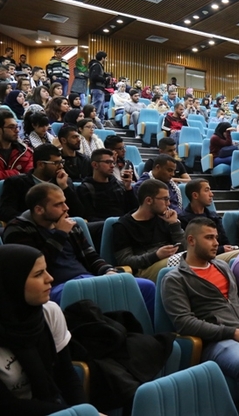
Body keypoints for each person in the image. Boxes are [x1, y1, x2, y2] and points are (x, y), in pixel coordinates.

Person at [161, 218, 239, 411]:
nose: (216, 243)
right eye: (209, 238)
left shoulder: (222, 266)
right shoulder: (175, 279)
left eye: (216, 237)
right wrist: (232, 332)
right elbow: (184, 323)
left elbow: (237, 300)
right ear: (191, 240)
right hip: (217, 341)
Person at [1, 183, 155, 311]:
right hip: (54, 286)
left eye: (64, 202)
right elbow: (33, 268)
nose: (66, 208)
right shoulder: (18, 229)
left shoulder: (69, 224)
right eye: (58, 204)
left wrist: (108, 270)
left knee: (146, 287)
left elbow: (91, 256)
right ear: (39, 209)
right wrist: (60, 234)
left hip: (87, 278)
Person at [0, 244, 88, 414]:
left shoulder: (49, 312)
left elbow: (66, 374)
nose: (50, 278)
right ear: (13, 283)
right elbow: (6, 405)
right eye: (38, 274)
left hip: (52, 405)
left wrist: (83, 410)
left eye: (46, 270)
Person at [112, 179, 185, 282]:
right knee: (187, 262)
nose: (168, 203)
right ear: (149, 201)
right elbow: (125, 260)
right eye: (165, 199)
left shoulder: (165, 218)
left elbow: (185, 247)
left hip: (171, 262)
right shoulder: (122, 226)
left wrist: (174, 225)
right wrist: (156, 255)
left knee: (199, 256)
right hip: (145, 269)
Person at [0, 144, 84, 224]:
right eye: (56, 163)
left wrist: (64, 187)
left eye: (62, 162)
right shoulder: (16, 183)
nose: (61, 166)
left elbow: (79, 213)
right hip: (30, 227)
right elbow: (6, 212)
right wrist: (34, 221)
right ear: (40, 164)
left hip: (62, 225)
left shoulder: (64, 181)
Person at [178, 178, 239, 261]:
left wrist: (227, 248)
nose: (211, 194)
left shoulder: (214, 216)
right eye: (206, 190)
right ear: (195, 195)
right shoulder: (182, 219)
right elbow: (190, 248)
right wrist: (221, 249)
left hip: (218, 256)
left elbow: (225, 242)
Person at [77, 148, 136, 223]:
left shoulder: (119, 185)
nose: (112, 166)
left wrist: (128, 189)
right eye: (108, 162)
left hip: (123, 225)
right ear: (95, 165)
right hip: (102, 226)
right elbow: (89, 217)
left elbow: (134, 211)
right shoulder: (85, 189)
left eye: (113, 162)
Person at [0, 109, 33, 179]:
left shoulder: (24, 151)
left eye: (17, 127)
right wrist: (16, 173)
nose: (17, 130)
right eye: (11, 127)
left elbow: (31, 174)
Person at [88, 51, 108, 120]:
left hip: (100, 89)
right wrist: (104, 79)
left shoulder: (99, 66)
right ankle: (91, 122)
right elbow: (94, 77)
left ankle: (100, 124)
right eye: (106, 58)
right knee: (96, 109)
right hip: (97, 88)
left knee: (101, 110)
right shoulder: (96, 65)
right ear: (102, 58)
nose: (106, 60)